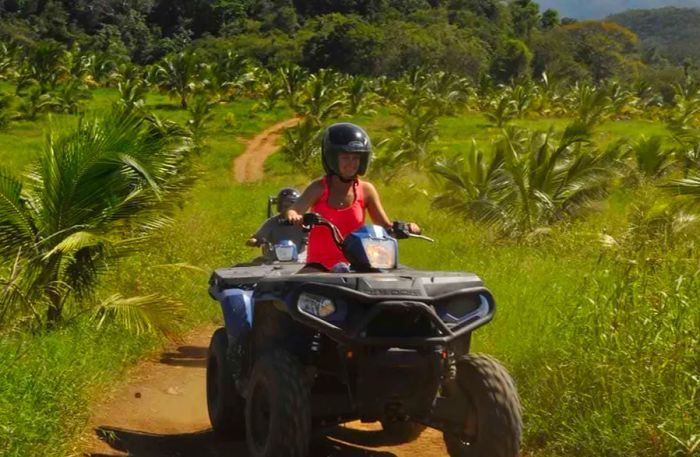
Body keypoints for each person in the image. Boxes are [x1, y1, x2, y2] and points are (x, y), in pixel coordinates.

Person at [285, 122, 420, 270]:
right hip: (319, 268)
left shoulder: (366, 190)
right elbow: (295, 210)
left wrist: (407, 227)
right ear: (332, 158)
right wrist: (294, 216)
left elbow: (385, 227)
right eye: (345, 157)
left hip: (356, 266)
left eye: (356, 158)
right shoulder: (318, 188)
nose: (351, 163)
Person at [247, 187, 307, 260]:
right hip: (273, 260)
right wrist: (254, 241)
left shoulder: (304, 222)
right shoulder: (272, 222)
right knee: (256, 261)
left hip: (300, 260)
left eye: (290, 206)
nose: (287, 209)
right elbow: (259, 236)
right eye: (284, 206)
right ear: (279, 206)